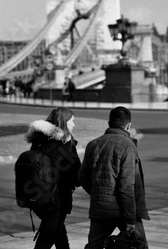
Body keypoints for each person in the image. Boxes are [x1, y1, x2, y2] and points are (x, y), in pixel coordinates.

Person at [78, 106, 149, 249]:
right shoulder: (127, 145)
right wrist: (130, 219)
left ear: (109, 123)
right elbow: (127, 185)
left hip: (99, 208)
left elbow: (82, 177)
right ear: (128, 125)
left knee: (94, 246)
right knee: (139, 245)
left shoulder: (93, 144)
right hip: (123, 209)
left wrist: (99, 193)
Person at [25, 107, 81, 249]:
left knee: (59, 233)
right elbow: (75, 172)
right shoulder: (65, 142)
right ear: (63, 122)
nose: (73, 125)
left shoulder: (39, 139)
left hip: (38, 196)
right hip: (56, 198)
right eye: (71, 122)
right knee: (47, 239)